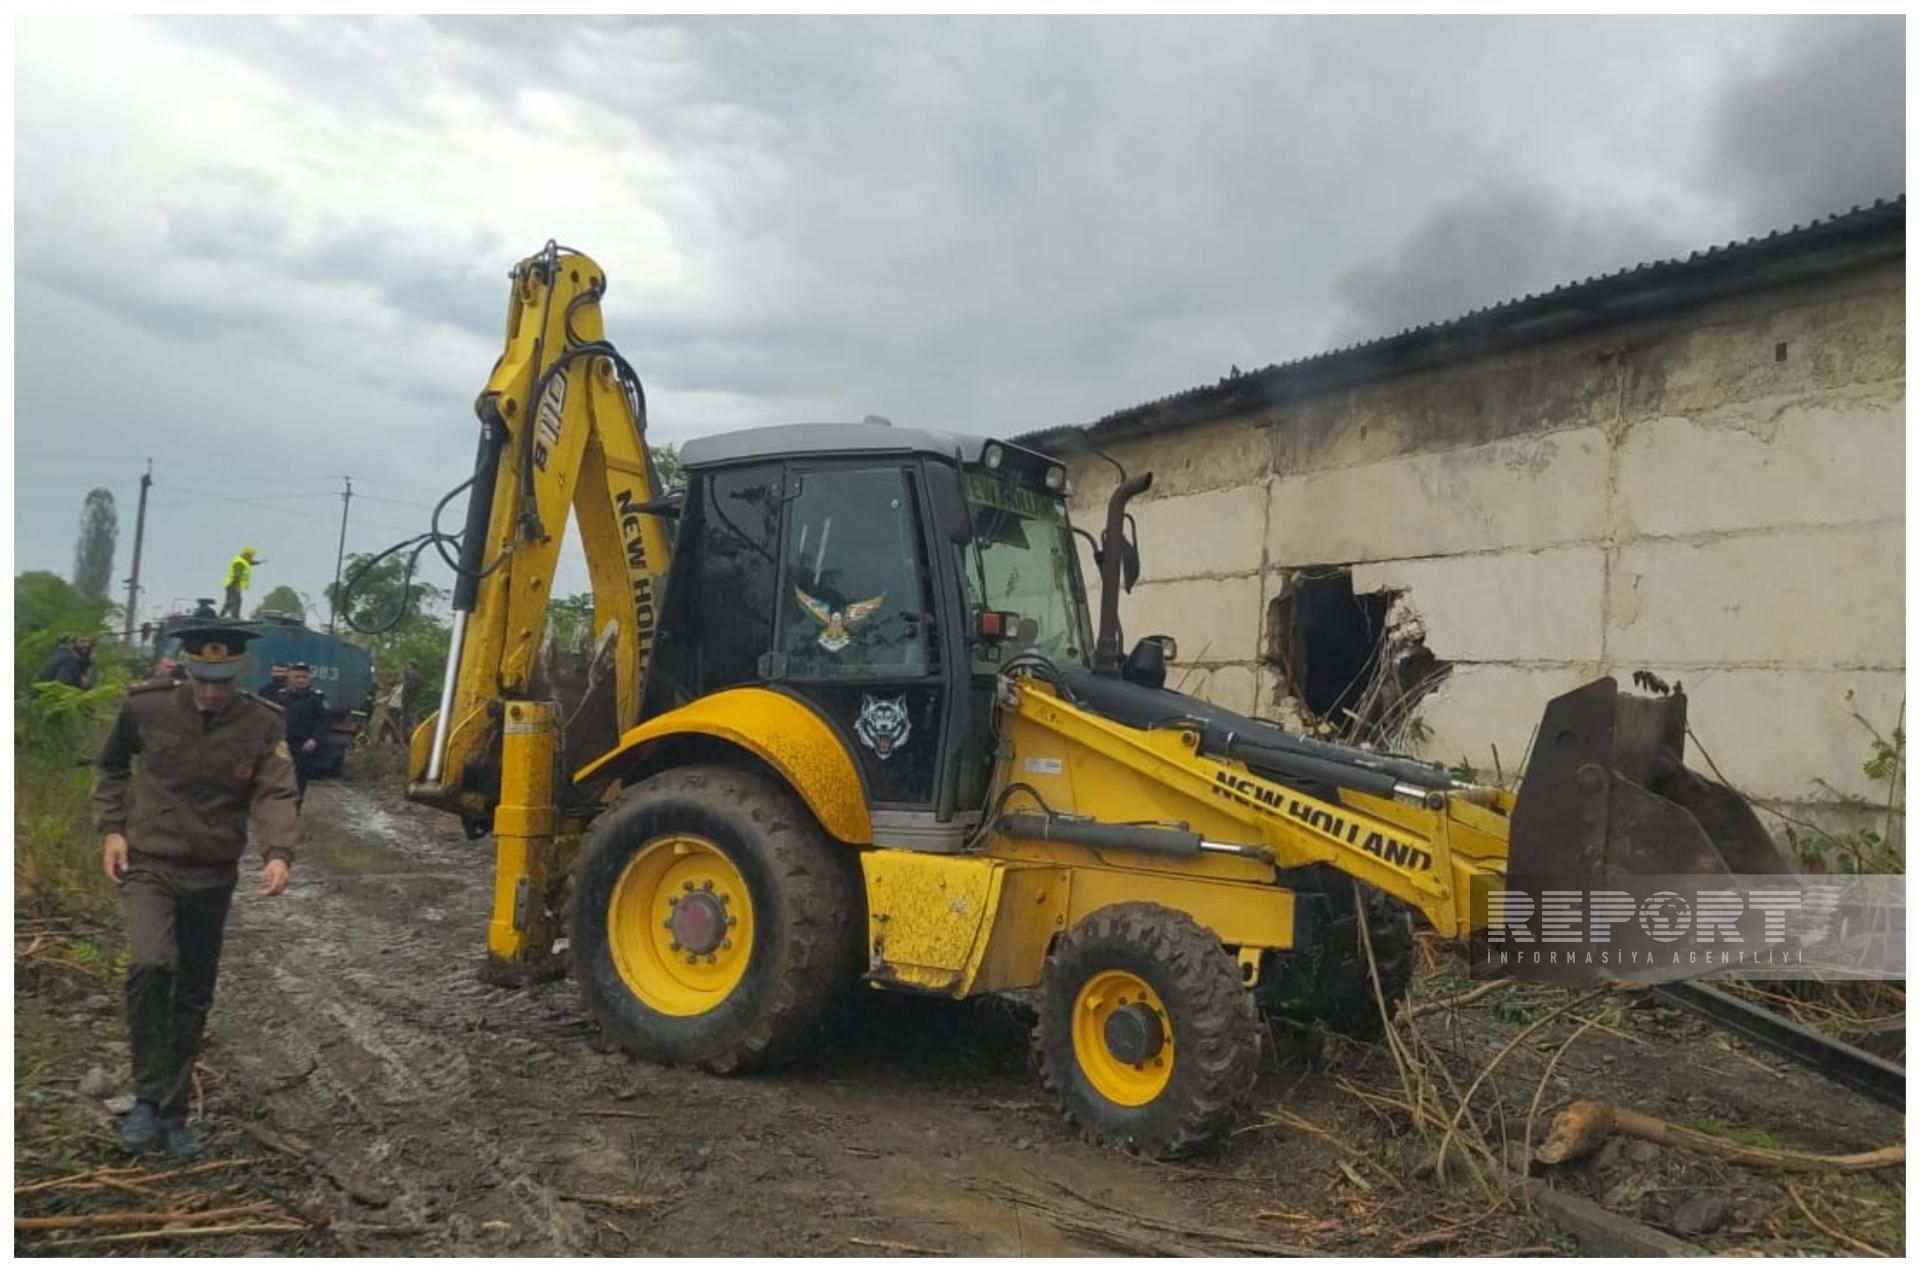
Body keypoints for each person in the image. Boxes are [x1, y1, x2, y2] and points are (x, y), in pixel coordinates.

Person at [92, 624, 298, 1160]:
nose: (212, 691)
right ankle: (144, 1097)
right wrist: (112, 828)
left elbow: (275, 790)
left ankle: (173, 1111)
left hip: (212, 873)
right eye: (203, 679)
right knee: (151, 965)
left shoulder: (262, 721)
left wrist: (278, 852)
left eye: (223, 681)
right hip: (150, 864)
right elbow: (112, 765)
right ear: (186, 668)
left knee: (193, 991)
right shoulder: (147, 708)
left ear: (241, 672)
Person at [282, 662, 328, 808]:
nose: (301, 680)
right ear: (290, 677)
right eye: (297, 677)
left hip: (304, 745)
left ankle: (294, 811)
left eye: (304, 677)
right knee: (280, 778)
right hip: (283, 744)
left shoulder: (317, 697)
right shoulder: (282, 695)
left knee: (299, 780)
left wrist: (315, 739)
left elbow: (324, 721)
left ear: (309, 678)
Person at [220, 547, 264, 619]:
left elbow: (249, 562)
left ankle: (232, 616)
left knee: (235, 600)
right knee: (233, 600)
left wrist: (259, 562)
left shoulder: (243, 560)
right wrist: (236, 586)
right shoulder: (239, 562)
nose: (251, 557)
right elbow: (237, 574)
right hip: (233, 584)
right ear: (247, 554)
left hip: (233, 584)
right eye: (251, 556)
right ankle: (226, 615)